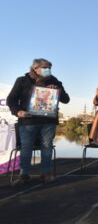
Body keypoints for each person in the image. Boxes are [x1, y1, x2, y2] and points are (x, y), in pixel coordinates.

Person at [6, 58, 70, 186]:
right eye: (45, 67)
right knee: (26, 148)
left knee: (47, 147)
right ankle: (24, 175)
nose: (48, 70)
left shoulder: (54, 80)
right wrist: (17, 111)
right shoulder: (22, 81)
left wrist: (57, 91)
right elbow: (11, 100)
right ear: (35, 68)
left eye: (49, 67)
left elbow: (66, 99)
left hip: (48, 121)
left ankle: (45, 174)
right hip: (28, 121)